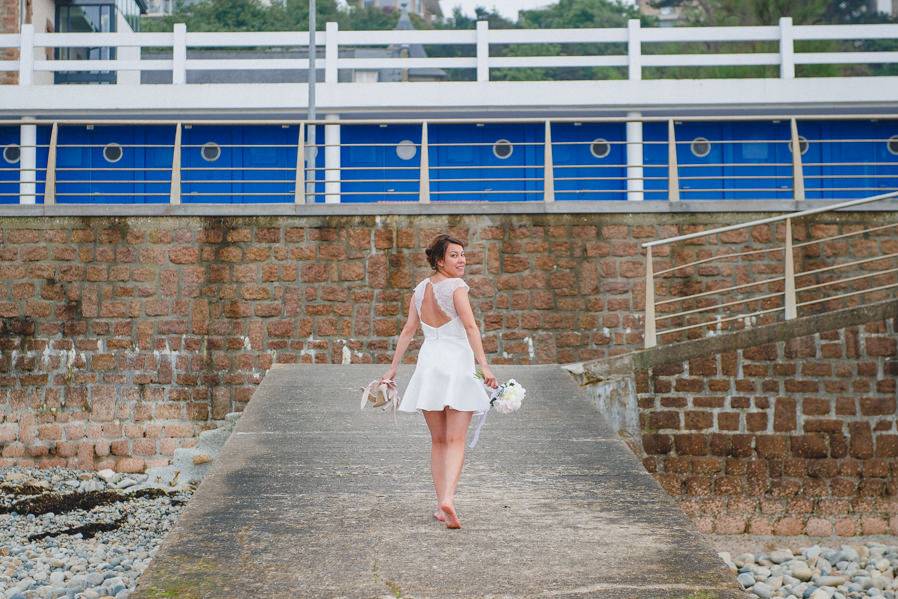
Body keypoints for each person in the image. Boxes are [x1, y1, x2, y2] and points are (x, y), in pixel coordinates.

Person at [380, 234, 498, 530]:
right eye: (455, 256)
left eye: (463, 255)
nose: (462, 260)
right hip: (456, 363)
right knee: (455, 440)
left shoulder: (420, 290)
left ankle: (440, 506)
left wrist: (392, 369)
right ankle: (447, 499)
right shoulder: (457, 288)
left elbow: (408, 331)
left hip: (429, 365)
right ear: (440, 260)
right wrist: (484, 366)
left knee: (438, 440)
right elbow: (470, 327)